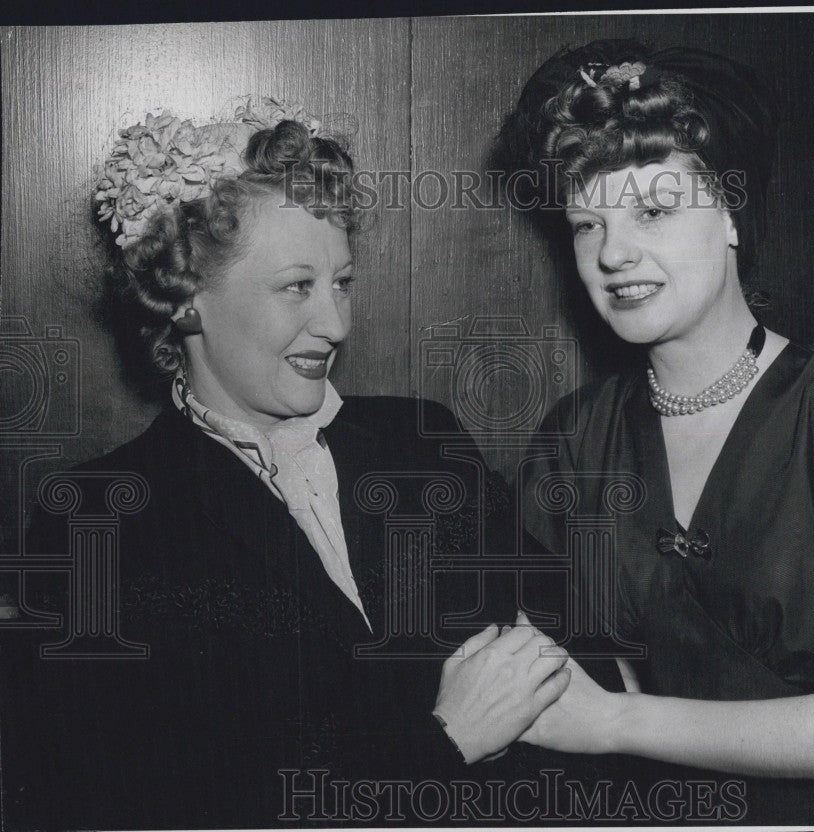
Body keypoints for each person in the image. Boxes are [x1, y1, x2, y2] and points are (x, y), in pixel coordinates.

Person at [0, 102, 569, 829]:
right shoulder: (95, 518)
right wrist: (440, 742)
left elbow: (564, 650)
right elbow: (144, 800)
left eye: (343, 283)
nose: (336, 324)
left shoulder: (423, 440)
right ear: (186, 299)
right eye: (297, 286)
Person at [493, 41, 814, 824]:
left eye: (652, 210)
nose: (613, 253)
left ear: (730, 210)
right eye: (586, 225)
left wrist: (616, 724)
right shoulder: (574, 441)